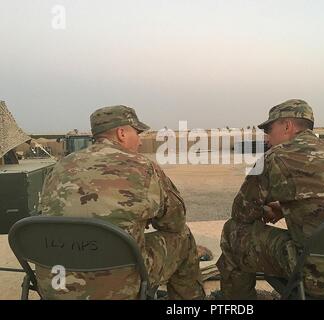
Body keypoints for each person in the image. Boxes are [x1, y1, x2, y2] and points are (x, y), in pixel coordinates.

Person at [216, 99, 324, 299]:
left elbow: (241, 214)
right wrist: (284, 208)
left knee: (233, 232)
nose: (267, 139)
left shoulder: (276, 157)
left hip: (320, 276)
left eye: (269, 130)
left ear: (287, 126)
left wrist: (265, 210)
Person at [37, 105, 205, 300]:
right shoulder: (143, 167)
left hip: (54, 282)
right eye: (137, 133)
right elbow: (175, 222)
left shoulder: (60, 167)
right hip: (118, 286)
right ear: (122, 133)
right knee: (183, 238)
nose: (140, 141)